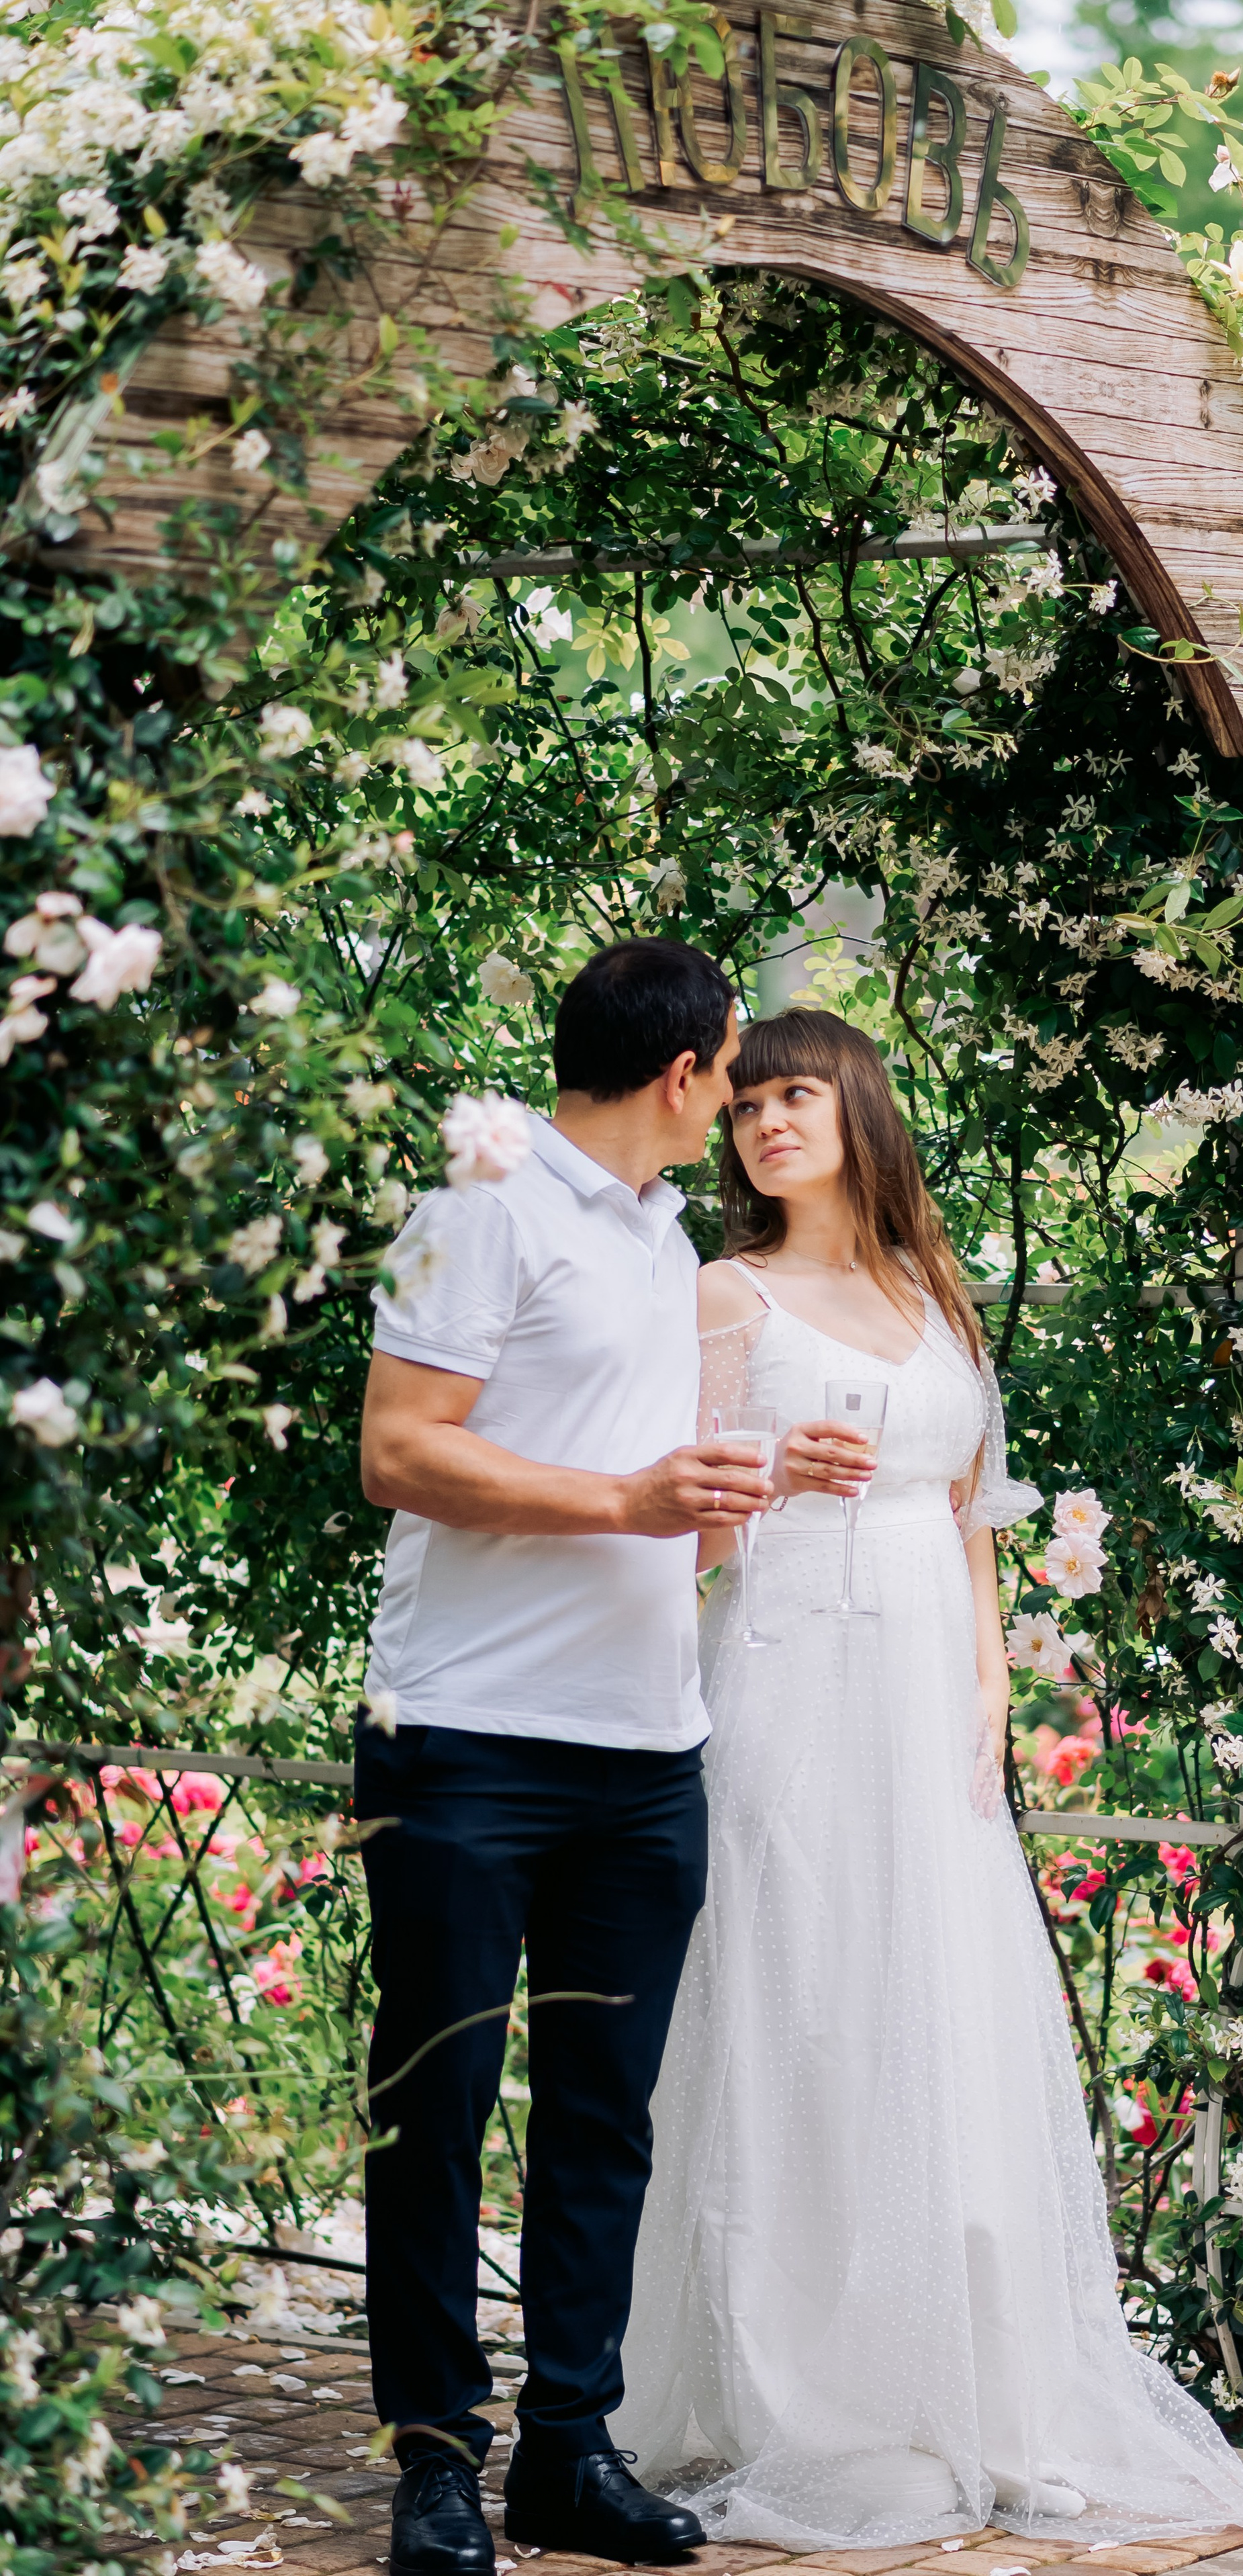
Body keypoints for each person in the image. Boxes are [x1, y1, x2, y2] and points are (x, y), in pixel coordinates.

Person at [613, 1010, 1243, 2550]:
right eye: (743, 1108)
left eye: (794, 1096)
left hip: (928, 1696)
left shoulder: (934, 1292)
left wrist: (989, 1689)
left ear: (855, 1106)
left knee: (942, 2017)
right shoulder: (727, 1295)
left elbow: (977, 1518)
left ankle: (980, 2397)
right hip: (787, 1671)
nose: (765, 1126)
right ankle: (811, 2406)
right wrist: (771, 1471)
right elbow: (689, 1534)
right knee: (801, 2009)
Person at [355, 939, 774, 2576]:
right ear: (682, 1075)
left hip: (642, 1750)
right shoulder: (485, 1198)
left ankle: (566, 2454)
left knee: (604, 2122)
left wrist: (746, 1487)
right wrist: (628, 1502)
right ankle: (436, 2471)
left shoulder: (664, 1237)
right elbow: (400, 1448)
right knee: (437, 2111)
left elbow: (656, 1477)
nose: (734, 1097)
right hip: (464, 1744)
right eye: (732, 1068)